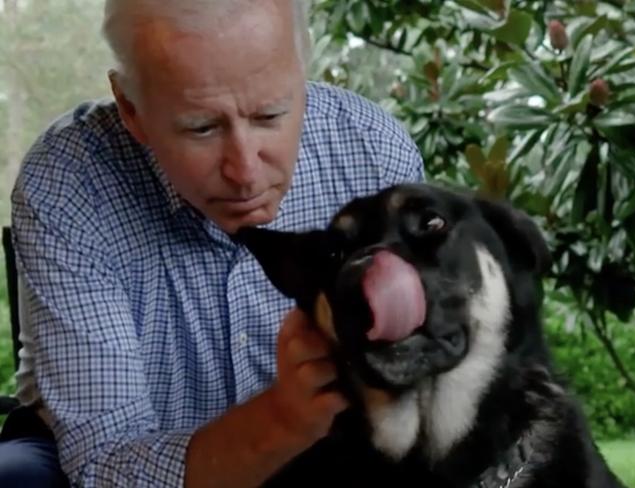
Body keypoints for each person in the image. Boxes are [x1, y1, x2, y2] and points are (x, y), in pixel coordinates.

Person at [0, 0, 424, 486]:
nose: (244, 173)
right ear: (131, 109)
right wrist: (283, 419)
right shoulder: (71, 182)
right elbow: (102, 466)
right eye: (201, 128)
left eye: (270, 115)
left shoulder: (371, 151)